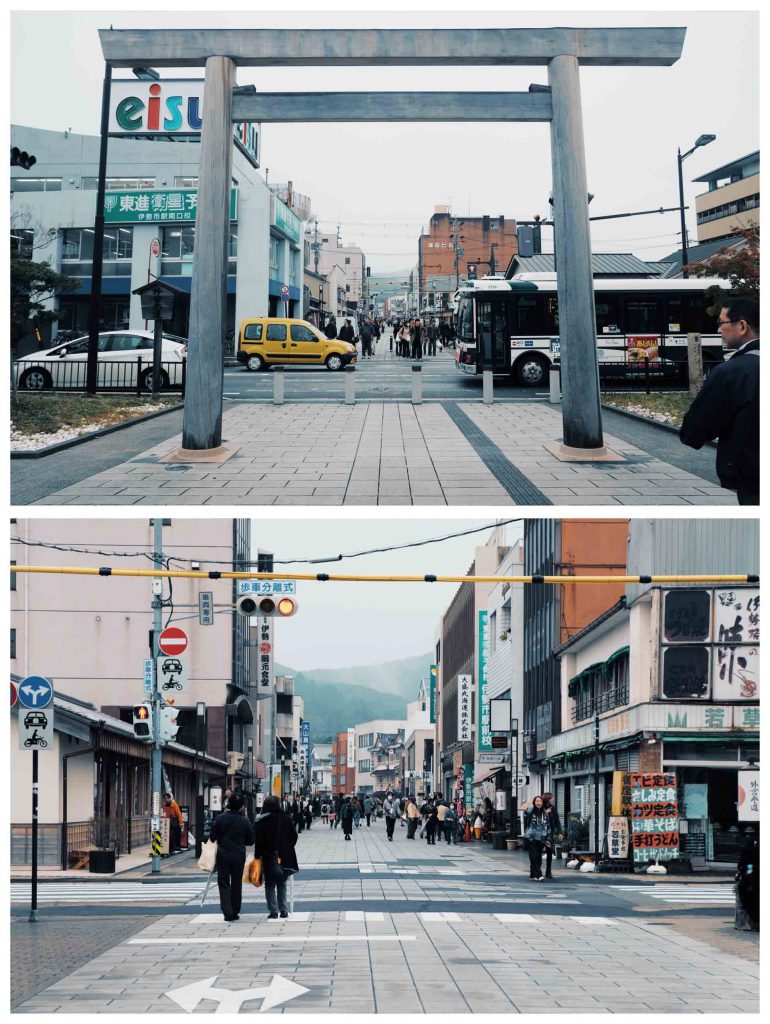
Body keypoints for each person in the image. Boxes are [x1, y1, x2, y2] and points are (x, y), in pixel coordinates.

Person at [680, 295, 759, 505]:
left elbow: (697, 426)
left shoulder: (733, 371)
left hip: (753, 475)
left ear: (742, 326)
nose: (718, 330)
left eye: (722, 323)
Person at [209, 792, 255, 921]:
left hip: (223, 854)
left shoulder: (220, 818)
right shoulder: (244, 821)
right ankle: (235, 910)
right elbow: (251, 840)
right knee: (236, 883)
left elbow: (212, 837)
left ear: (228, 805)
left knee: (223, 882)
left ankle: (227, 911)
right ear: (241, 807)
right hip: (239, 855)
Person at [253, 794, 298, 920]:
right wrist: (288, 847)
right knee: (282, 882)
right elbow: (294, 836)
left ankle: (273, 910)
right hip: (284, 855)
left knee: (269, 883)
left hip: (268, 855)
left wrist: (257, 856)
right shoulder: (286, 818)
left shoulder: (261, 821)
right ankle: (284, 909)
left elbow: (259, 841)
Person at [523, 795, 553, 881]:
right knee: (534, 856)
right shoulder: (531, 811)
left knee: (538, 857)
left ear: (542, 803)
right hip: (530, 837)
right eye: (536, 801)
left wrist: (548, 837)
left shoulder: (545, 814)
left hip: (541, 838)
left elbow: (548, 826)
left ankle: (533, 874)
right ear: (534, 803)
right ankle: (539, 874)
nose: (538, 803)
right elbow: (527, 812)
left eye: (540, 801)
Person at [541, 793, 563, 880]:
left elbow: (557, 820)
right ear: (547, 799)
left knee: (549, 851)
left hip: (549, 833)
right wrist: (545, 813)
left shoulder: (553, 808)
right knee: (538, 851)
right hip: (540, 833)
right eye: (551, 798)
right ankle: (536, 870)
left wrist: (560, 832)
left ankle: (548, 870)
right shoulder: (540, 808)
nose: (553, 799)